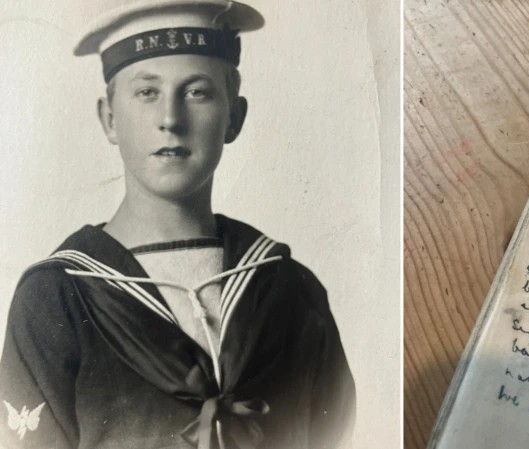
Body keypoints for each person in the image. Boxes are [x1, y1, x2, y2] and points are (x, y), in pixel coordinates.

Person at [0, 1, 355, 448]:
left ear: (235, 117)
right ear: (110, 119)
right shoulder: (58, 298)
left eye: (197, 92)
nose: (170, 119)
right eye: (147, 92)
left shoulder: (289, 291)